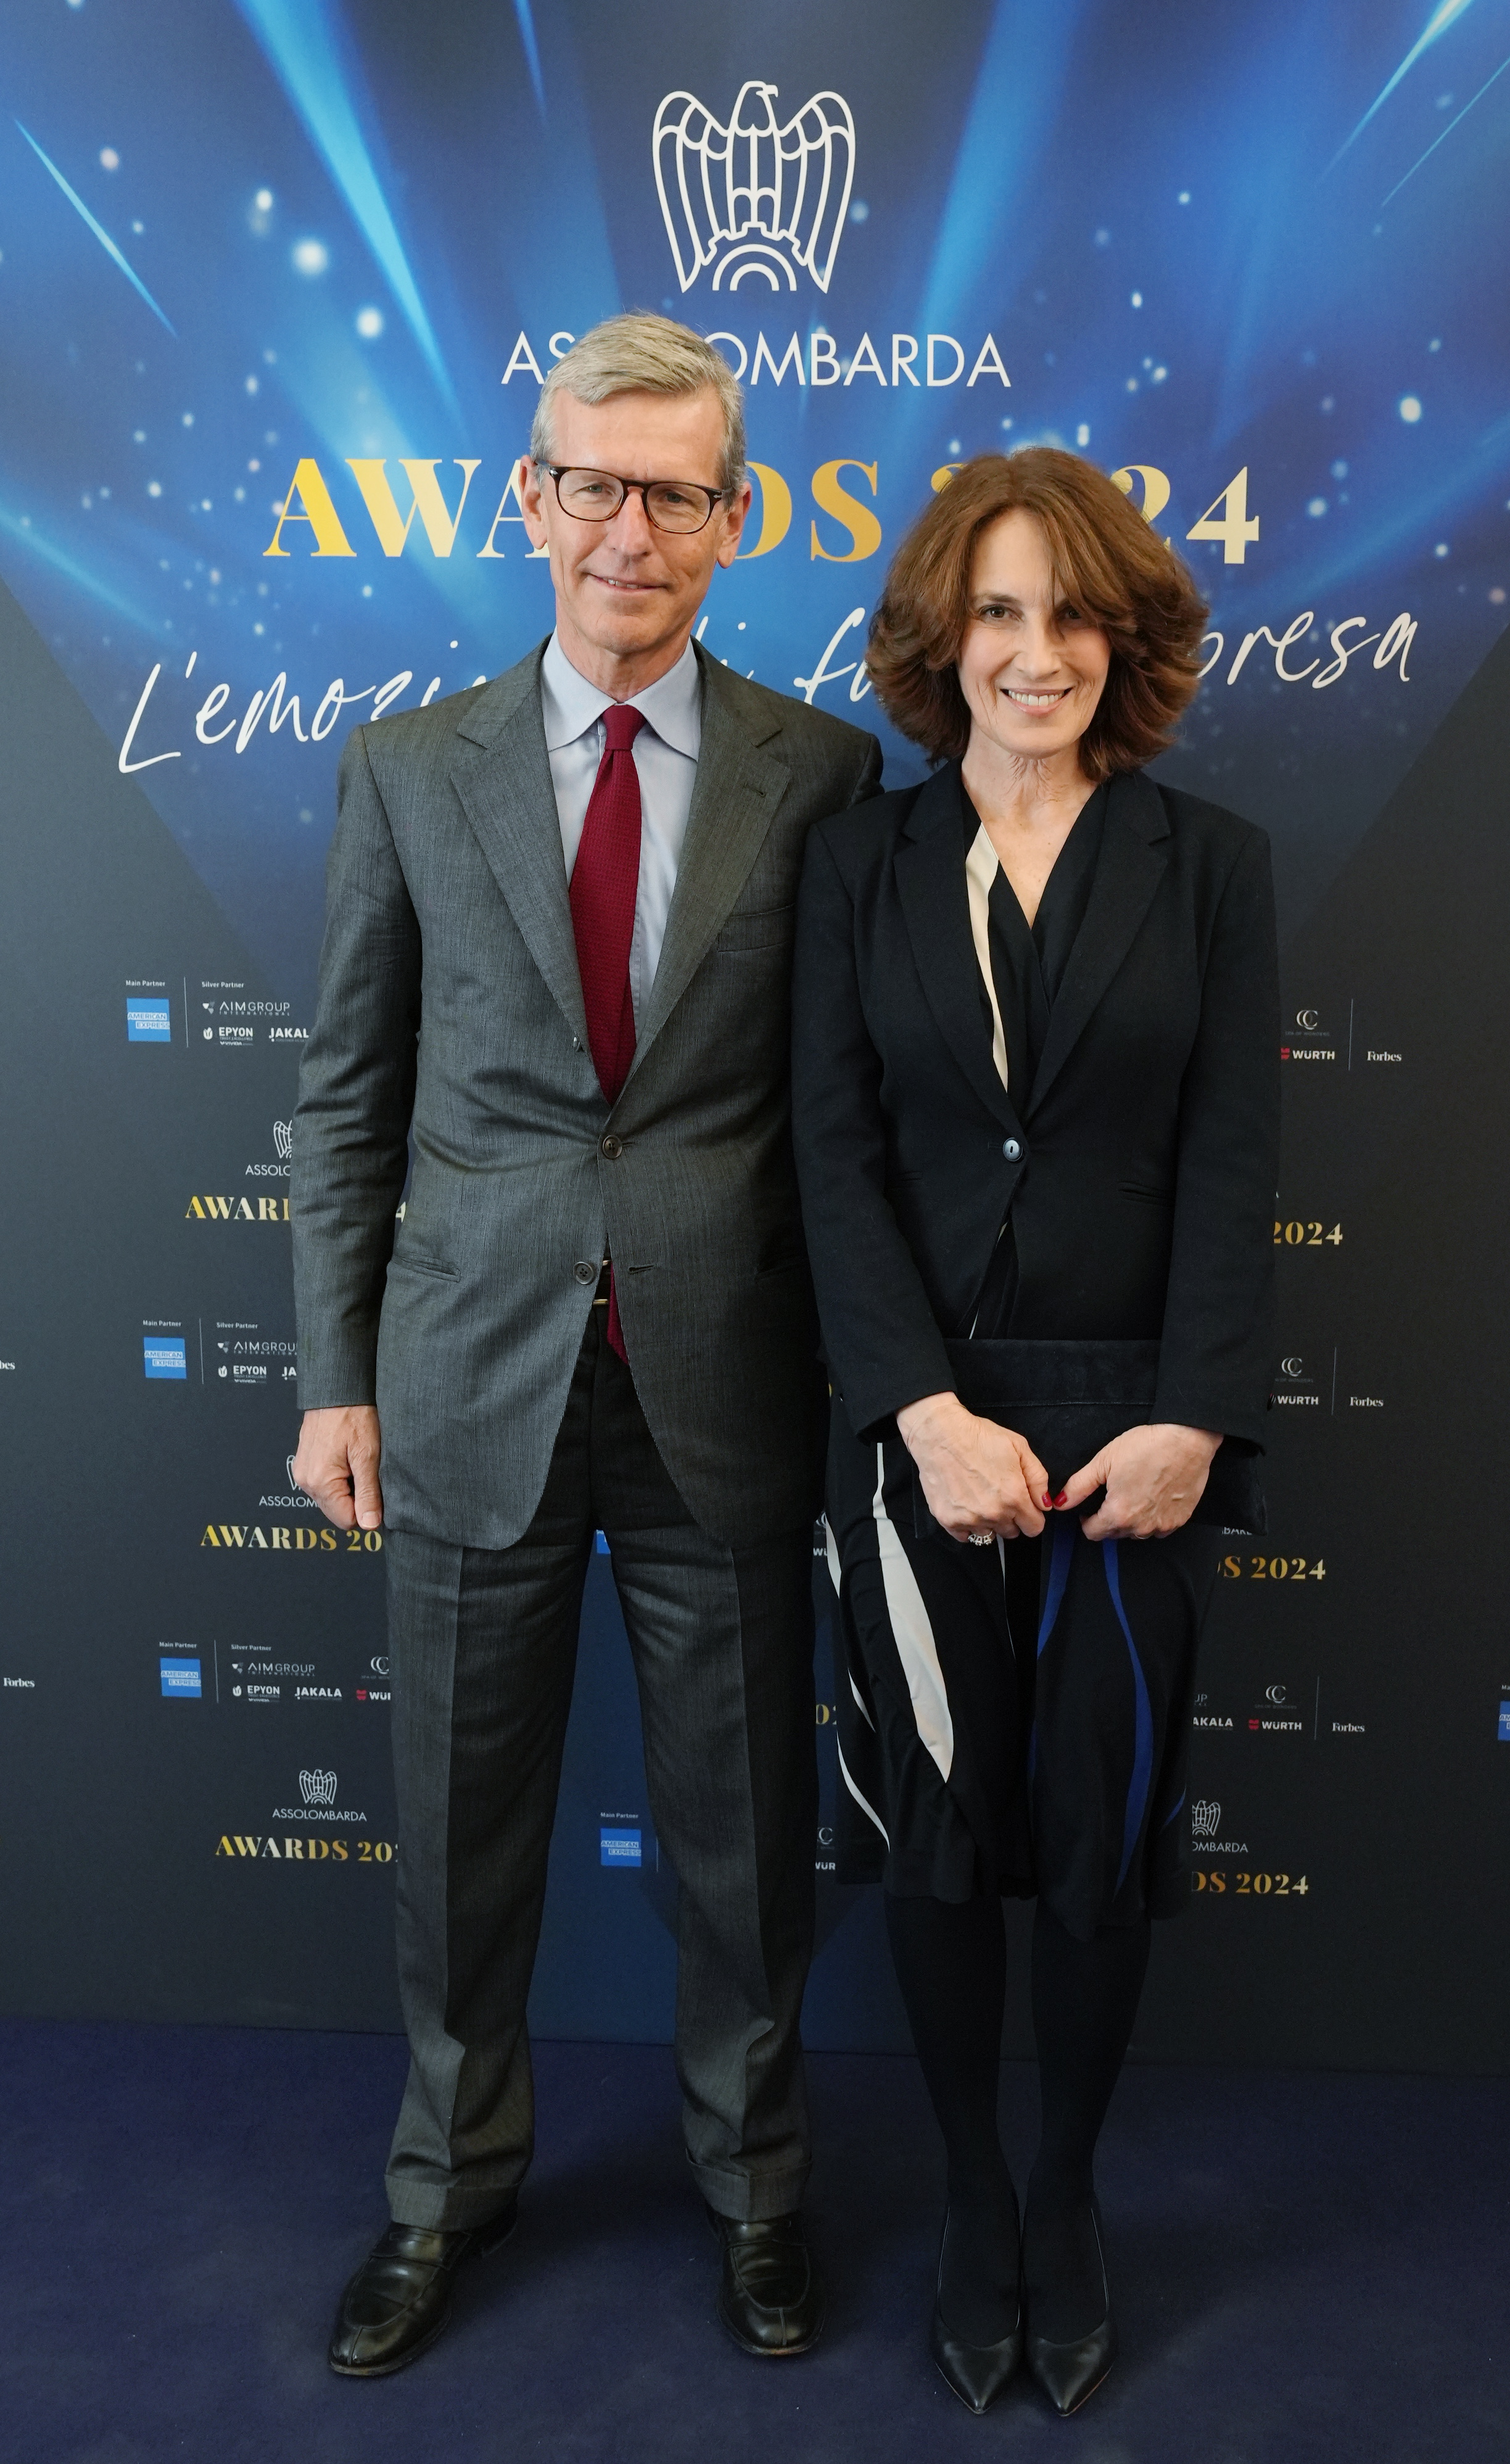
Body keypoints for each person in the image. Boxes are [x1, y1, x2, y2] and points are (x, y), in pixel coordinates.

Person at [290, 313, 881, 2377]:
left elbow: (840, 1112)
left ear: (737, 517)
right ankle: (445, 2191)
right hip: (467, 1380)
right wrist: (335, 1375)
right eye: (595, 486)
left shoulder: (825, 774)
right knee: (462, 1845)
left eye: (677, 494)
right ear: (530, 499)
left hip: (730, 1375)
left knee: (744, 1840)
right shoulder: (407, 765)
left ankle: (760, 2187)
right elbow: (347, 1098)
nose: (632, 530)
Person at [790, 450, 1278, 2417]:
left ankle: (1064, 2192)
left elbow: (1235, 1164)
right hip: (924, 1425)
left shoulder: (1210, 862)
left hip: (1132, 1435)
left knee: (1097, 1833)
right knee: (934, 1832)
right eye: (997, 609)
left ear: (1123, 636)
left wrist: (1194, 1419)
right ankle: (973, 2202)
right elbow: (831, 1161)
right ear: (943, 633)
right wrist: (919, 1410)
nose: (1035, 650)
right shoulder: (856, 862)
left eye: (1072, 611)